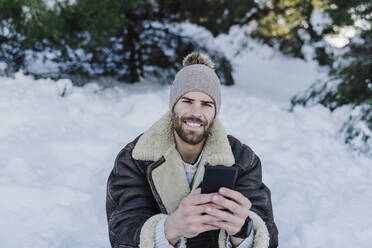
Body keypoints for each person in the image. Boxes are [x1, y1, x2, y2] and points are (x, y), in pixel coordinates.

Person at [106, 52, 278, 248]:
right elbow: (122, 234)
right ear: (173, 106)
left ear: (215, 112)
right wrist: (171, 229)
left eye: (206, 104)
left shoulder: (242, 159)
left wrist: (242, 230)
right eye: (187, 101)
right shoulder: (135, 158)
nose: (196, 113)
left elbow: (268, 235)